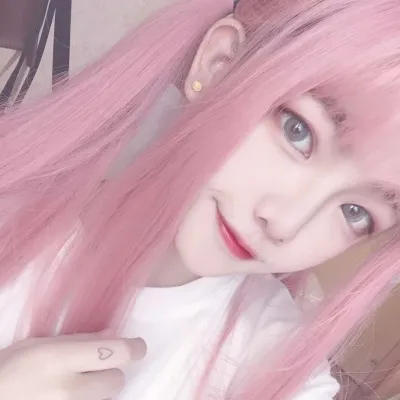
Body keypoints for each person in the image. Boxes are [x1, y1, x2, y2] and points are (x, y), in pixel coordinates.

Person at [0, 0, 399, 398]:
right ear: (218, 64)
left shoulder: (274, 362)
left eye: (356, 213)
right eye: (299, 131)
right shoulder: (12, 208)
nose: (284, 224)